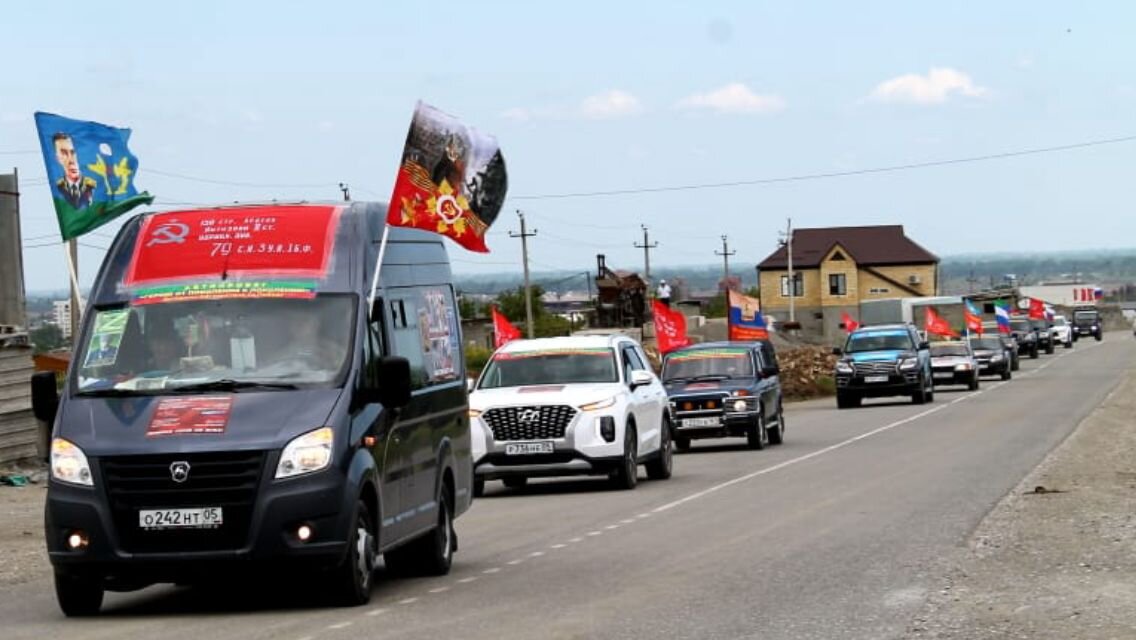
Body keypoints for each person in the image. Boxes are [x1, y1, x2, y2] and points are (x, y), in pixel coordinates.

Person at [52, 133, 96, 209]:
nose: (71, 160)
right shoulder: (58, 187)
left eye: (72, 152)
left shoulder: (92, 185)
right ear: (58, 158)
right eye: (64, 153)